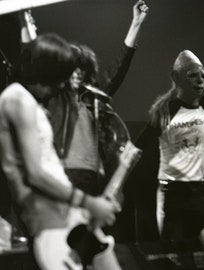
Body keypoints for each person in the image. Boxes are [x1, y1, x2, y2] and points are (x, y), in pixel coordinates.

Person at [0, 33, 122, 270]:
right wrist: (89, 203)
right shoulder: (17, 99)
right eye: (59, 77)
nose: (60, 85)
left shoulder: (26, 101)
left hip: (64, 214)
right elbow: (35, 173)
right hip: (51, 222)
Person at [136, 5, 204, 241]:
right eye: (193, 75)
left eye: (202, 75)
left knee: (200, 254)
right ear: (177, 78)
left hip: (198, 192)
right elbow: (138, 151)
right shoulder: (165, 110)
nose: (200, 80)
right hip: (170, 194)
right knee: (173, 254)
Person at [45, 0, 149, 196]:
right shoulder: (53, 98)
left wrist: (136, 23)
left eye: (81, 69)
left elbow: (117, 69)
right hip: (59, 173)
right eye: (71, 68)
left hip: (90, 175)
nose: (77, 73)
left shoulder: (92, 96)